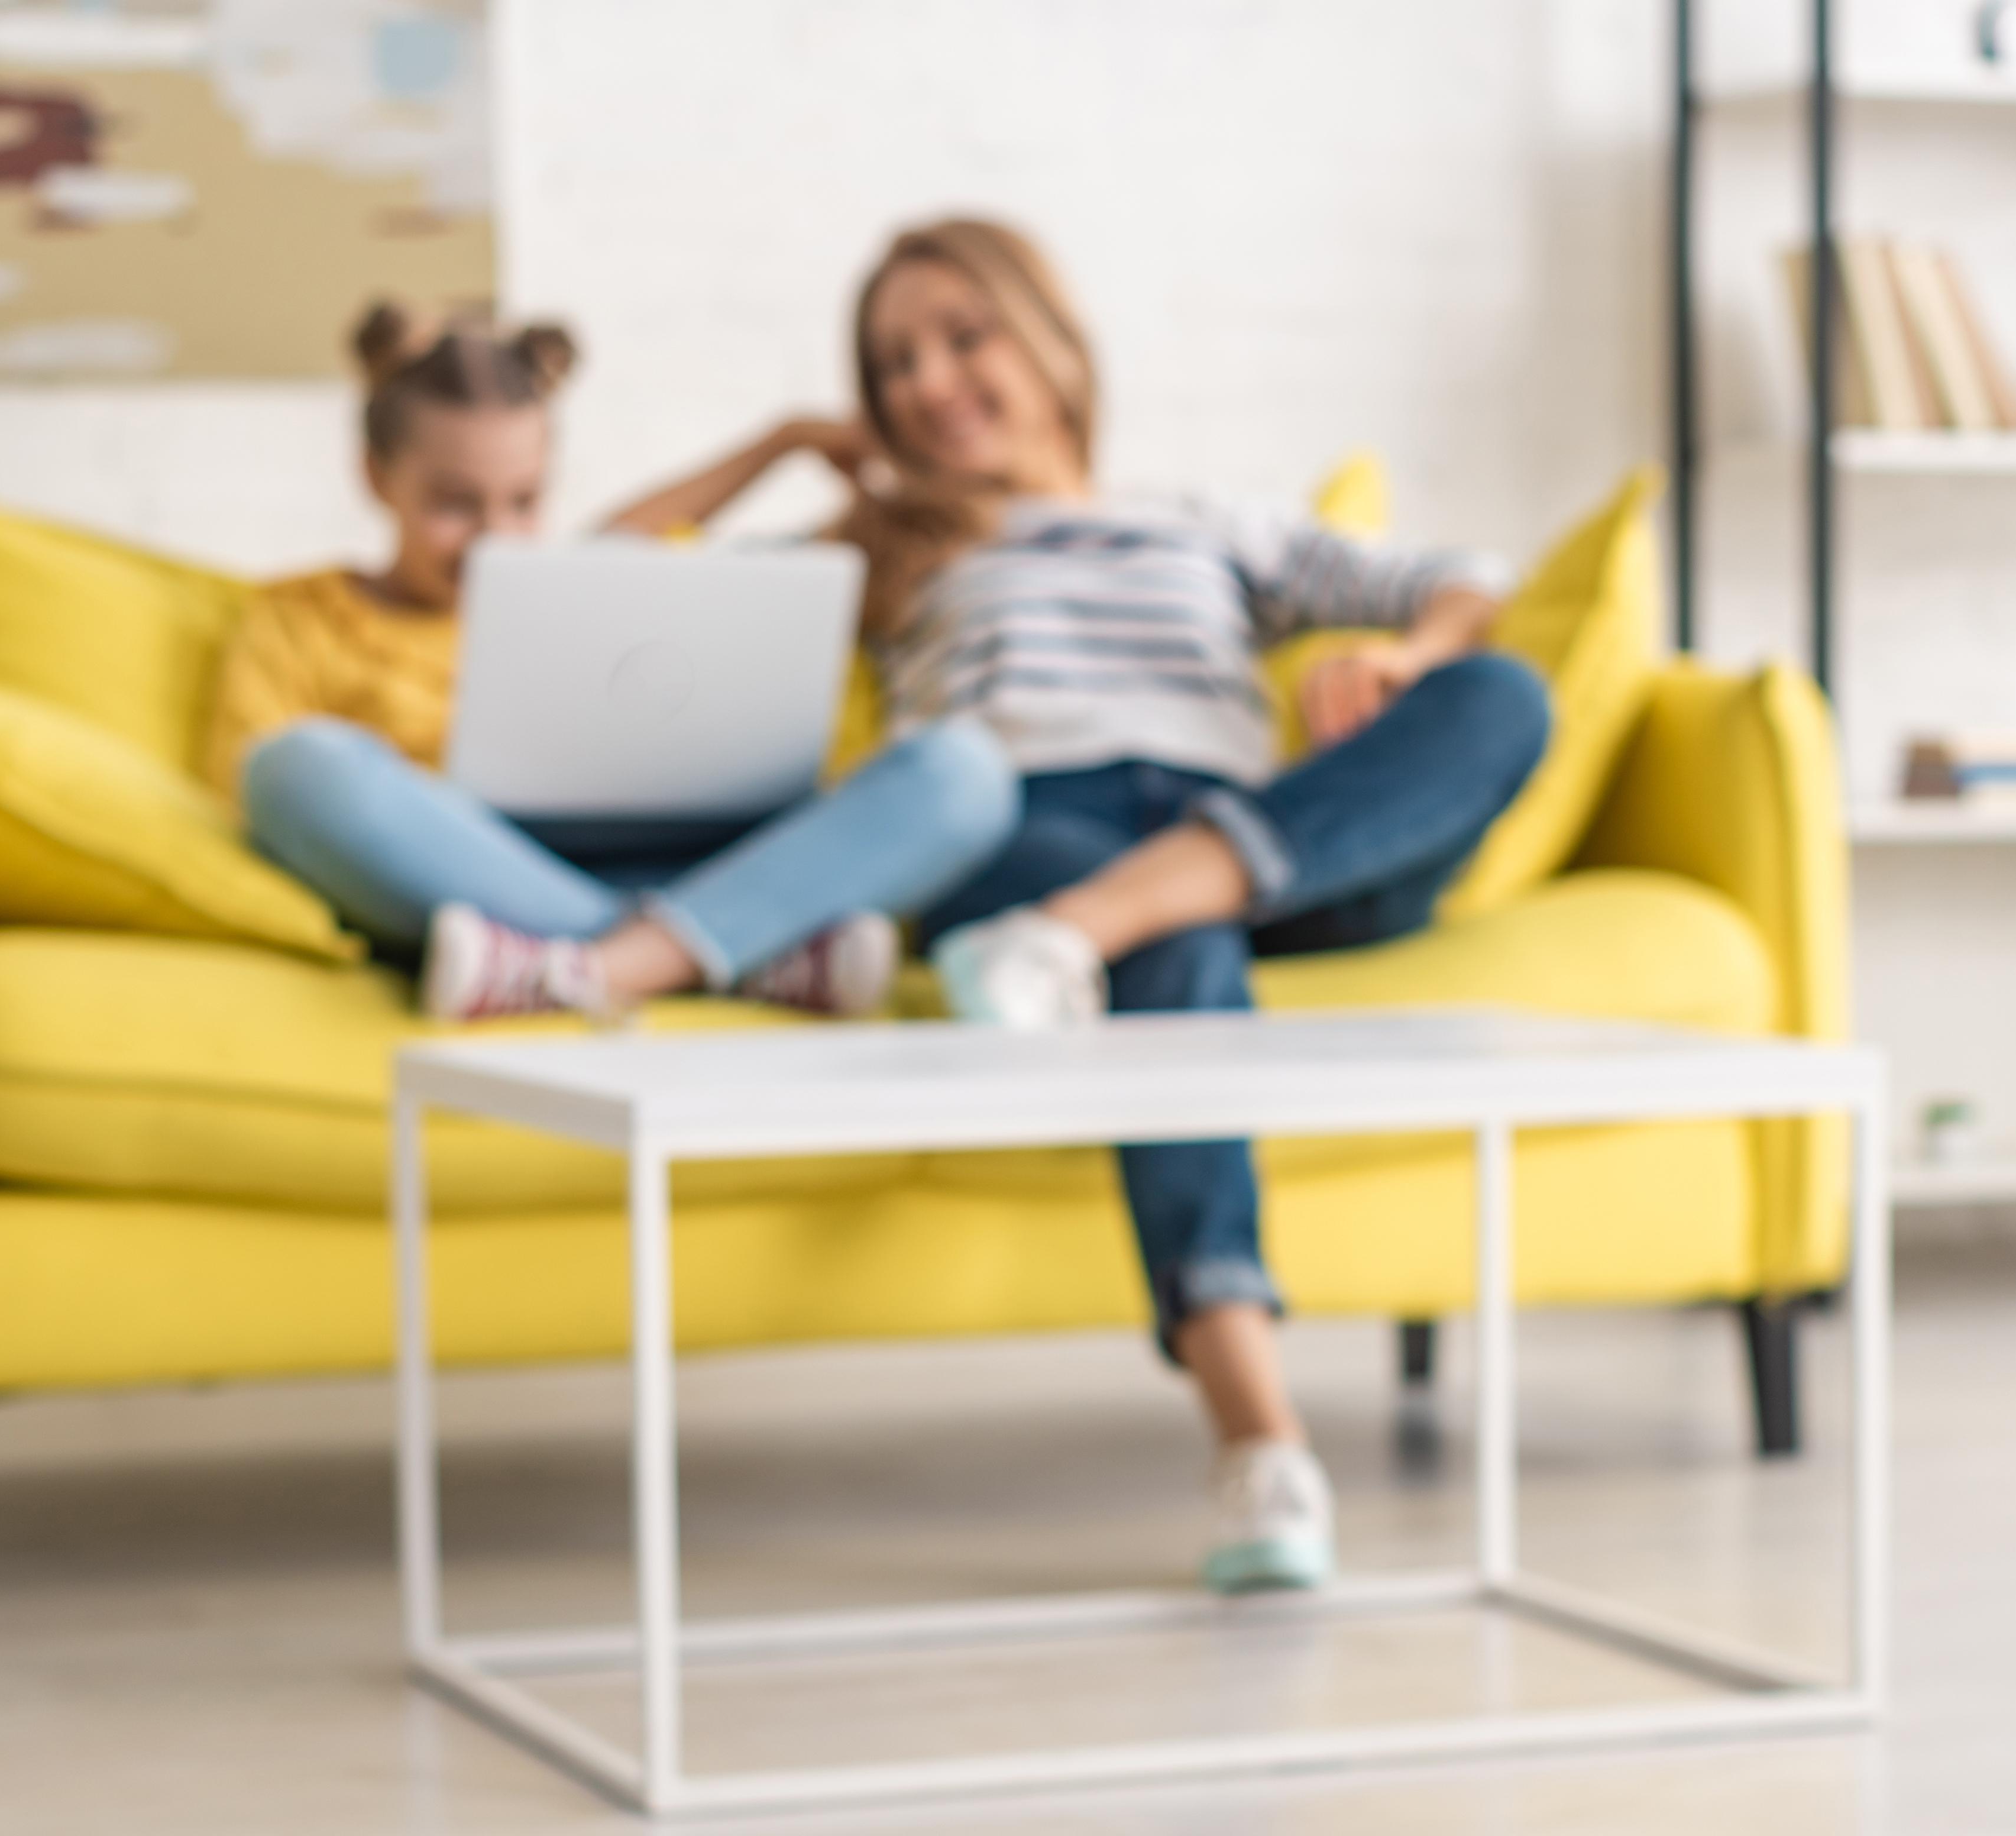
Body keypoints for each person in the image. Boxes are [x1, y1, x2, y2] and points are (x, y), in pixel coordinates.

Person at [628, 221, 1549, 1594]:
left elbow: (1467, 581)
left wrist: (1398, 653)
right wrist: (775, 444)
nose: (929, 381)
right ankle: (1262, 1442)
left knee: (1500, 700)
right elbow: (606, 594)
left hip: (1255, 841)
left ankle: (1083, 937)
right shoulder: (887, 549)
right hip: (1027, 829)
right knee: (1176, 944)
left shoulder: (1201, 520)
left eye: (962, 336)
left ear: (1049, 340)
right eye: (892, 365)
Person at [212, 304, 1019, 1024]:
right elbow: (242, 797)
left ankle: (582, 970)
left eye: (525, 501)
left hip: (689, 845)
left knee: (965, 771)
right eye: (456, 504)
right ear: (376, 478)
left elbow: (638, 533)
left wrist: (788, 441)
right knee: (297, 767)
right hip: (477, 873)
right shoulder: (298, 614)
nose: (496, 535)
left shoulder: (576, 586)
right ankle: (728, 954)